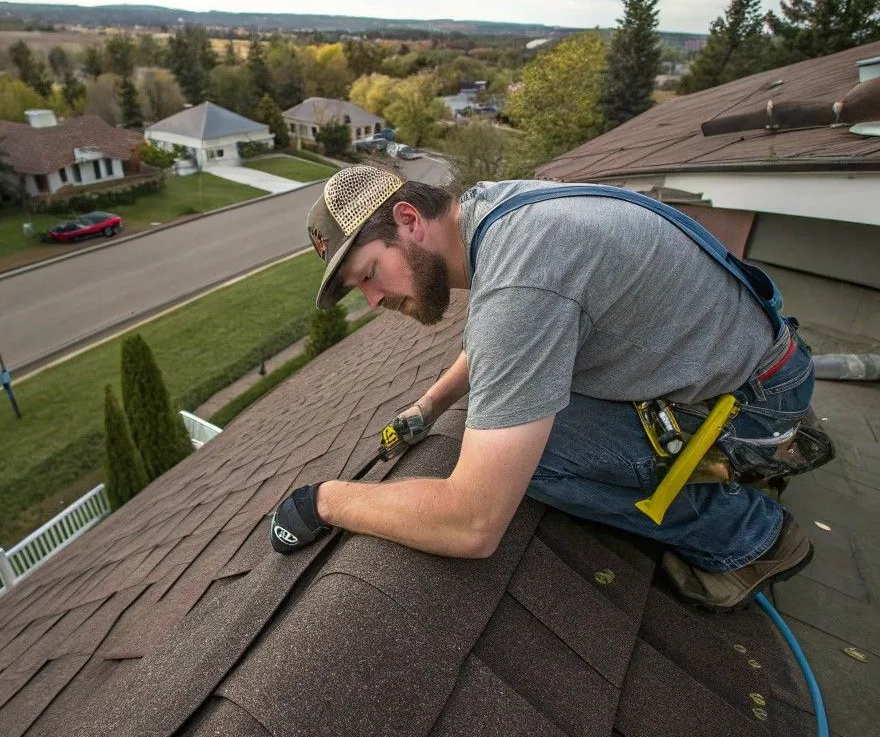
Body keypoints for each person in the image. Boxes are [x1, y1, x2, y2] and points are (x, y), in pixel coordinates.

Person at [271, 165, 826, 611]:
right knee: (504, 403)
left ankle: (750, 537)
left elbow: (473, 522)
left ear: (410, 219)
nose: (372, 301)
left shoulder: (521, 277)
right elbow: (499, 344)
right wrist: (430, 403)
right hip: (754, 360)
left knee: (527, 458)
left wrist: (324, 502)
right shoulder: (493, 210)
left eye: (369, 274)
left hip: (752, 403)